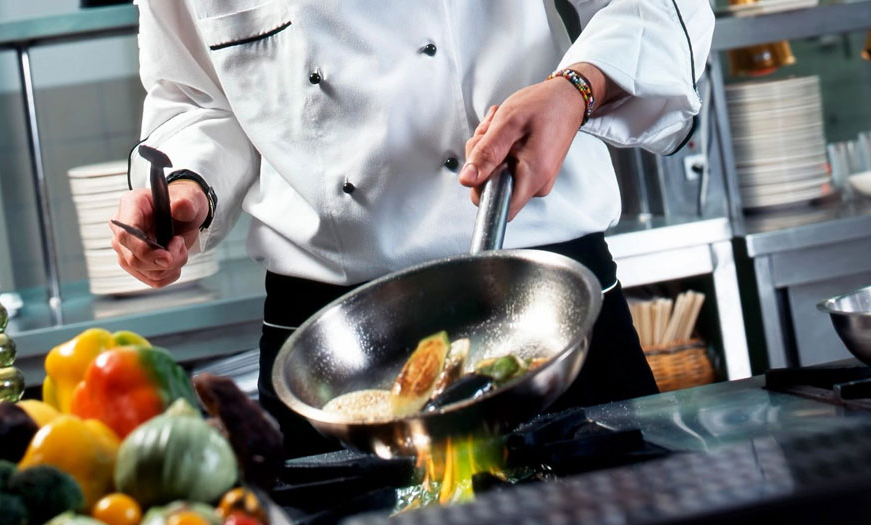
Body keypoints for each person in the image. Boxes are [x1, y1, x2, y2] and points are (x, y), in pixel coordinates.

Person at [114, 1, 715, 456]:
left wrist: (576, 89)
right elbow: (196, 98)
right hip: (333, 337)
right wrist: (190, 184)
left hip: (540, 292)